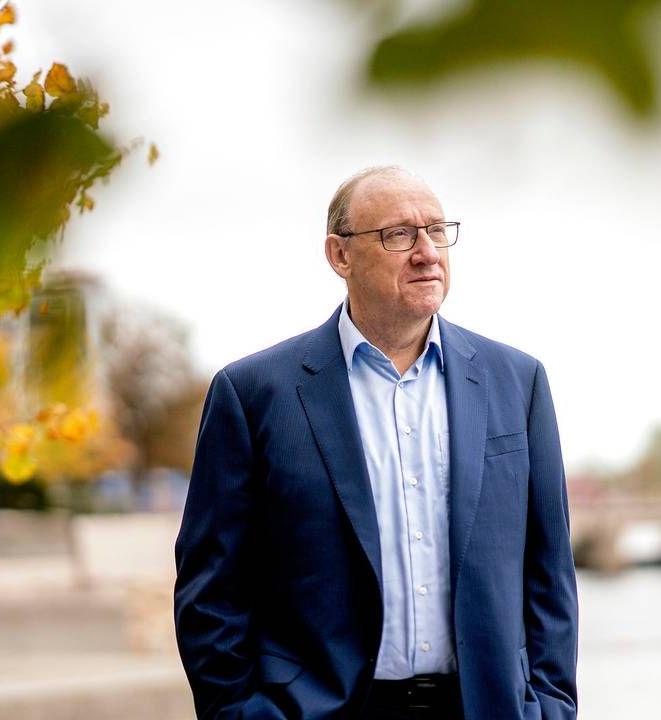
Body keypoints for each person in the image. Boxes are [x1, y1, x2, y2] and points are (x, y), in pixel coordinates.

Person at [174, 166, 578, 719]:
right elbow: (211, 591)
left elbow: (549, 573)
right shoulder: (252, 394)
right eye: (398, 235)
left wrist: (552, 707)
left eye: (437, 231)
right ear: (339, 256)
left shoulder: (519, 381)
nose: (427, 252)